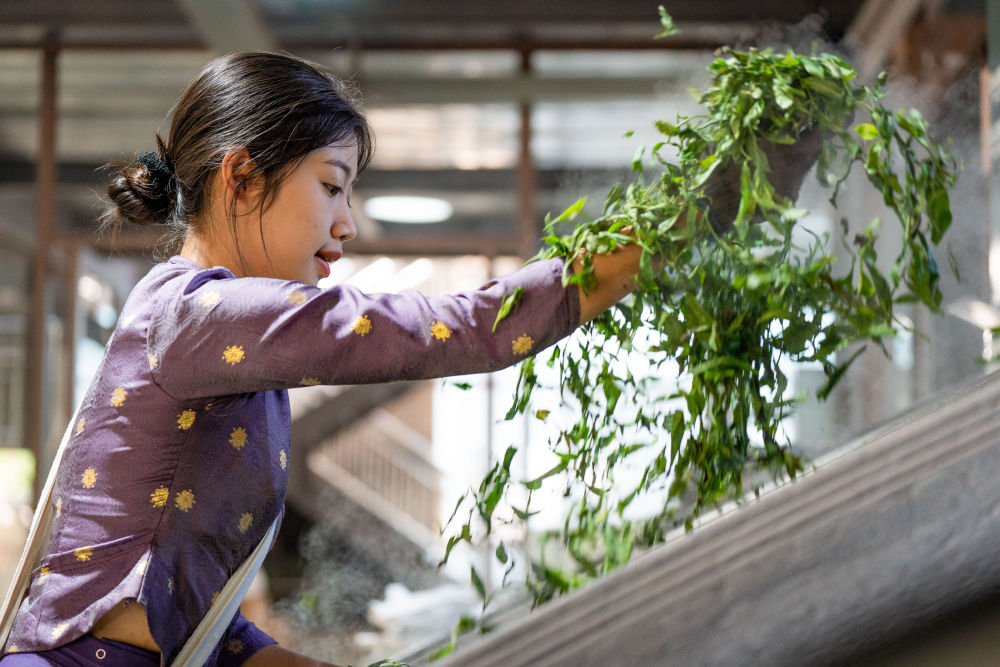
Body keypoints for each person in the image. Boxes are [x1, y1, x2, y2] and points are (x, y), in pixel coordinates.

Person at [0, 51, 817, 666]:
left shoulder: (229, 356)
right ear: (243, 178)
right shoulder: (197, 313)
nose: (348, 220)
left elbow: (199, 624)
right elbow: (454, 326)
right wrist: (670, 232)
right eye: (332, 184)